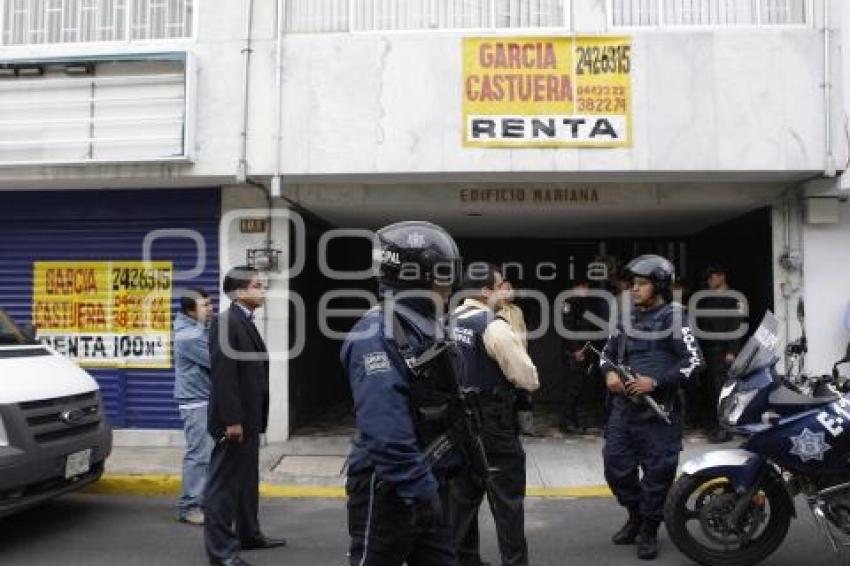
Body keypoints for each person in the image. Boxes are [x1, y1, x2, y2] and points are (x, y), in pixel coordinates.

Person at [342, 221, 463, 566]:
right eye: (443, 274)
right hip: (389, 487)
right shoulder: (376, 333)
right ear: (418, 277)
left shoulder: (427, 326)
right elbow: (385, 429)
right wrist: (420, 489)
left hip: (426, 478)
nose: (450, 284)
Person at [600, 255, 704, 561]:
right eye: (633, 283)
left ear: (658, 285)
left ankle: (648, 528)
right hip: (623, 410)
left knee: (658, 474)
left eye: (642, 284)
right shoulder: (626, 318)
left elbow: (695, 363)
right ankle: (636, 514)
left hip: (660, 411)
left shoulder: (675, 318)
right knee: (615, 467)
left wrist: (655, 383)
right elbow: (606, 353)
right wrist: (608, 374)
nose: (634, 289)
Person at [450, 263, 539, 566]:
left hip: (457, 423)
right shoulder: (492, 324)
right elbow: (526, 376)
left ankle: (465, 561)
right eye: (500, 285)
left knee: (461, 500)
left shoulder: (448, 320)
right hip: (492, 425)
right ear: (486, 291)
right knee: (507, 502)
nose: (504, 291)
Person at [205, 266, 285, 566]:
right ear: (239, 292)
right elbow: (224, 377)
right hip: (234, 421)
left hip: (249, 419)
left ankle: (249, 534)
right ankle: (222, 553)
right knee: (223, 488)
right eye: (256, 285)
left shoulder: (245, 321)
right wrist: (232, 421)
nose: (263, 289)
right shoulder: (226, 323)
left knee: (247, 480)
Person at [173, 287, 214, 526]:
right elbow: (216, 359)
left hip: (204, 397)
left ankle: (203, 500)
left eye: (210, 304)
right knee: (199, 455)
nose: (211, 309)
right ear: (191, 311)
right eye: (205, 306)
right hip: (195, 400)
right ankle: (189, 507)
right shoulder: (189, 337)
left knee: (207, 455)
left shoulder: (199, 329)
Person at [696, 263, 744, 443]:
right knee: (711, 390)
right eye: (708, 278)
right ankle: (716, 426)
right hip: (708, 349)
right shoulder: (708, 298)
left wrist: (732, 350)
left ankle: (726, 429)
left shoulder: (734, 298)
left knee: (722, 391)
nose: (709, 281)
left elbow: (737, 324)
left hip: (723, 351)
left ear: (721, 276)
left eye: (712, 277)